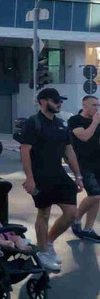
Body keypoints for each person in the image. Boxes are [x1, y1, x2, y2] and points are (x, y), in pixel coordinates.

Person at [18, 88, 83, 271]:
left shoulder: (61, 124)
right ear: (43, 101)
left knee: (71, 213)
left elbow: (69, 151)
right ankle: (43, 253)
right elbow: (25, 150)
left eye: (60, 101)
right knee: (44, 213)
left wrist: (78, 176)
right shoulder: (33, 122)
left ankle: (49, 242)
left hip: (59, 174)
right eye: (56, 101)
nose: (59, 104)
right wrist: (29, 178)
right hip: (40, 176)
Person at [69, 95, 100, 242]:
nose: (97, 108)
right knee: (95, 195)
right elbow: (84, 137)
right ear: (84, 106)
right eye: (94, 105)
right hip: (82, 163)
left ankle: (88, 229)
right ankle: (76, 219)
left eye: (98, 105)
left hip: (97, 162)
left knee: (98, 197)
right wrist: (95, 122)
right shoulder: (75, 120)